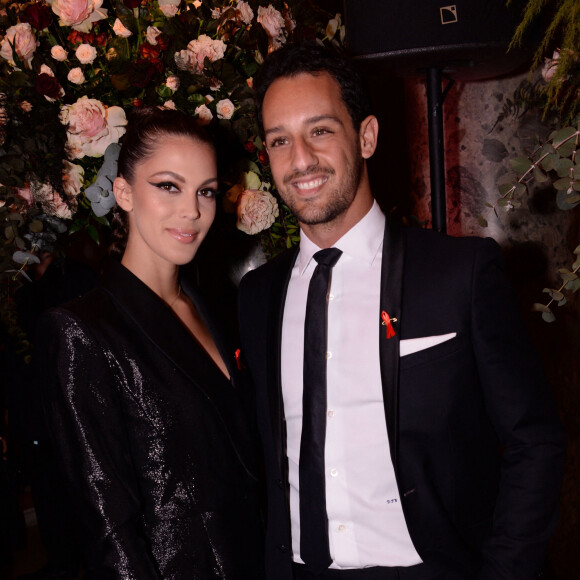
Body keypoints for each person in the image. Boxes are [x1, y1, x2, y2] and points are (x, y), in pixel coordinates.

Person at [237, 43, 566, 580]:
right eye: (279, 140)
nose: (299, 160)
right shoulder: (257, 296)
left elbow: (535, 440)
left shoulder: (460, 273)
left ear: (365, 135)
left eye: (320, 130)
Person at [35, 107, 264, 579]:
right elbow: (107, 530)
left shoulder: (219, 310)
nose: (192, 211)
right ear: (123, 192)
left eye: (206, 191)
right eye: (168, 186)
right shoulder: (82, 330)